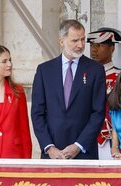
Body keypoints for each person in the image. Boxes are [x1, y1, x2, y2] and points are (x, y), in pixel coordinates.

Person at [31, 19, 106, 159]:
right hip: (52, 154)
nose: (81, 45)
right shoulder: (44, 70)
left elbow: (98, 113)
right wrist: (49, 147)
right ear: (61, 41)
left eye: (83, 40)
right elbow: (37, 113)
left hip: (84, 152)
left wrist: (79, 145)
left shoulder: (96, 70)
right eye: (75, 40)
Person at [0, 45, 32, 158]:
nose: (10, 64)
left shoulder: (18, 91)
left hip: (12, 157)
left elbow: (24, 131)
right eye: (4, 61)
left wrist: (26, 162)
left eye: (10, 60)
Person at [87, 27, 121, 159]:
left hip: (113, 139)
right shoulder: (83, 75)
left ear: (112, 48)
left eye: (100, 45)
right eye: (92, 45)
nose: (94, 49)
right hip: (86, 136)